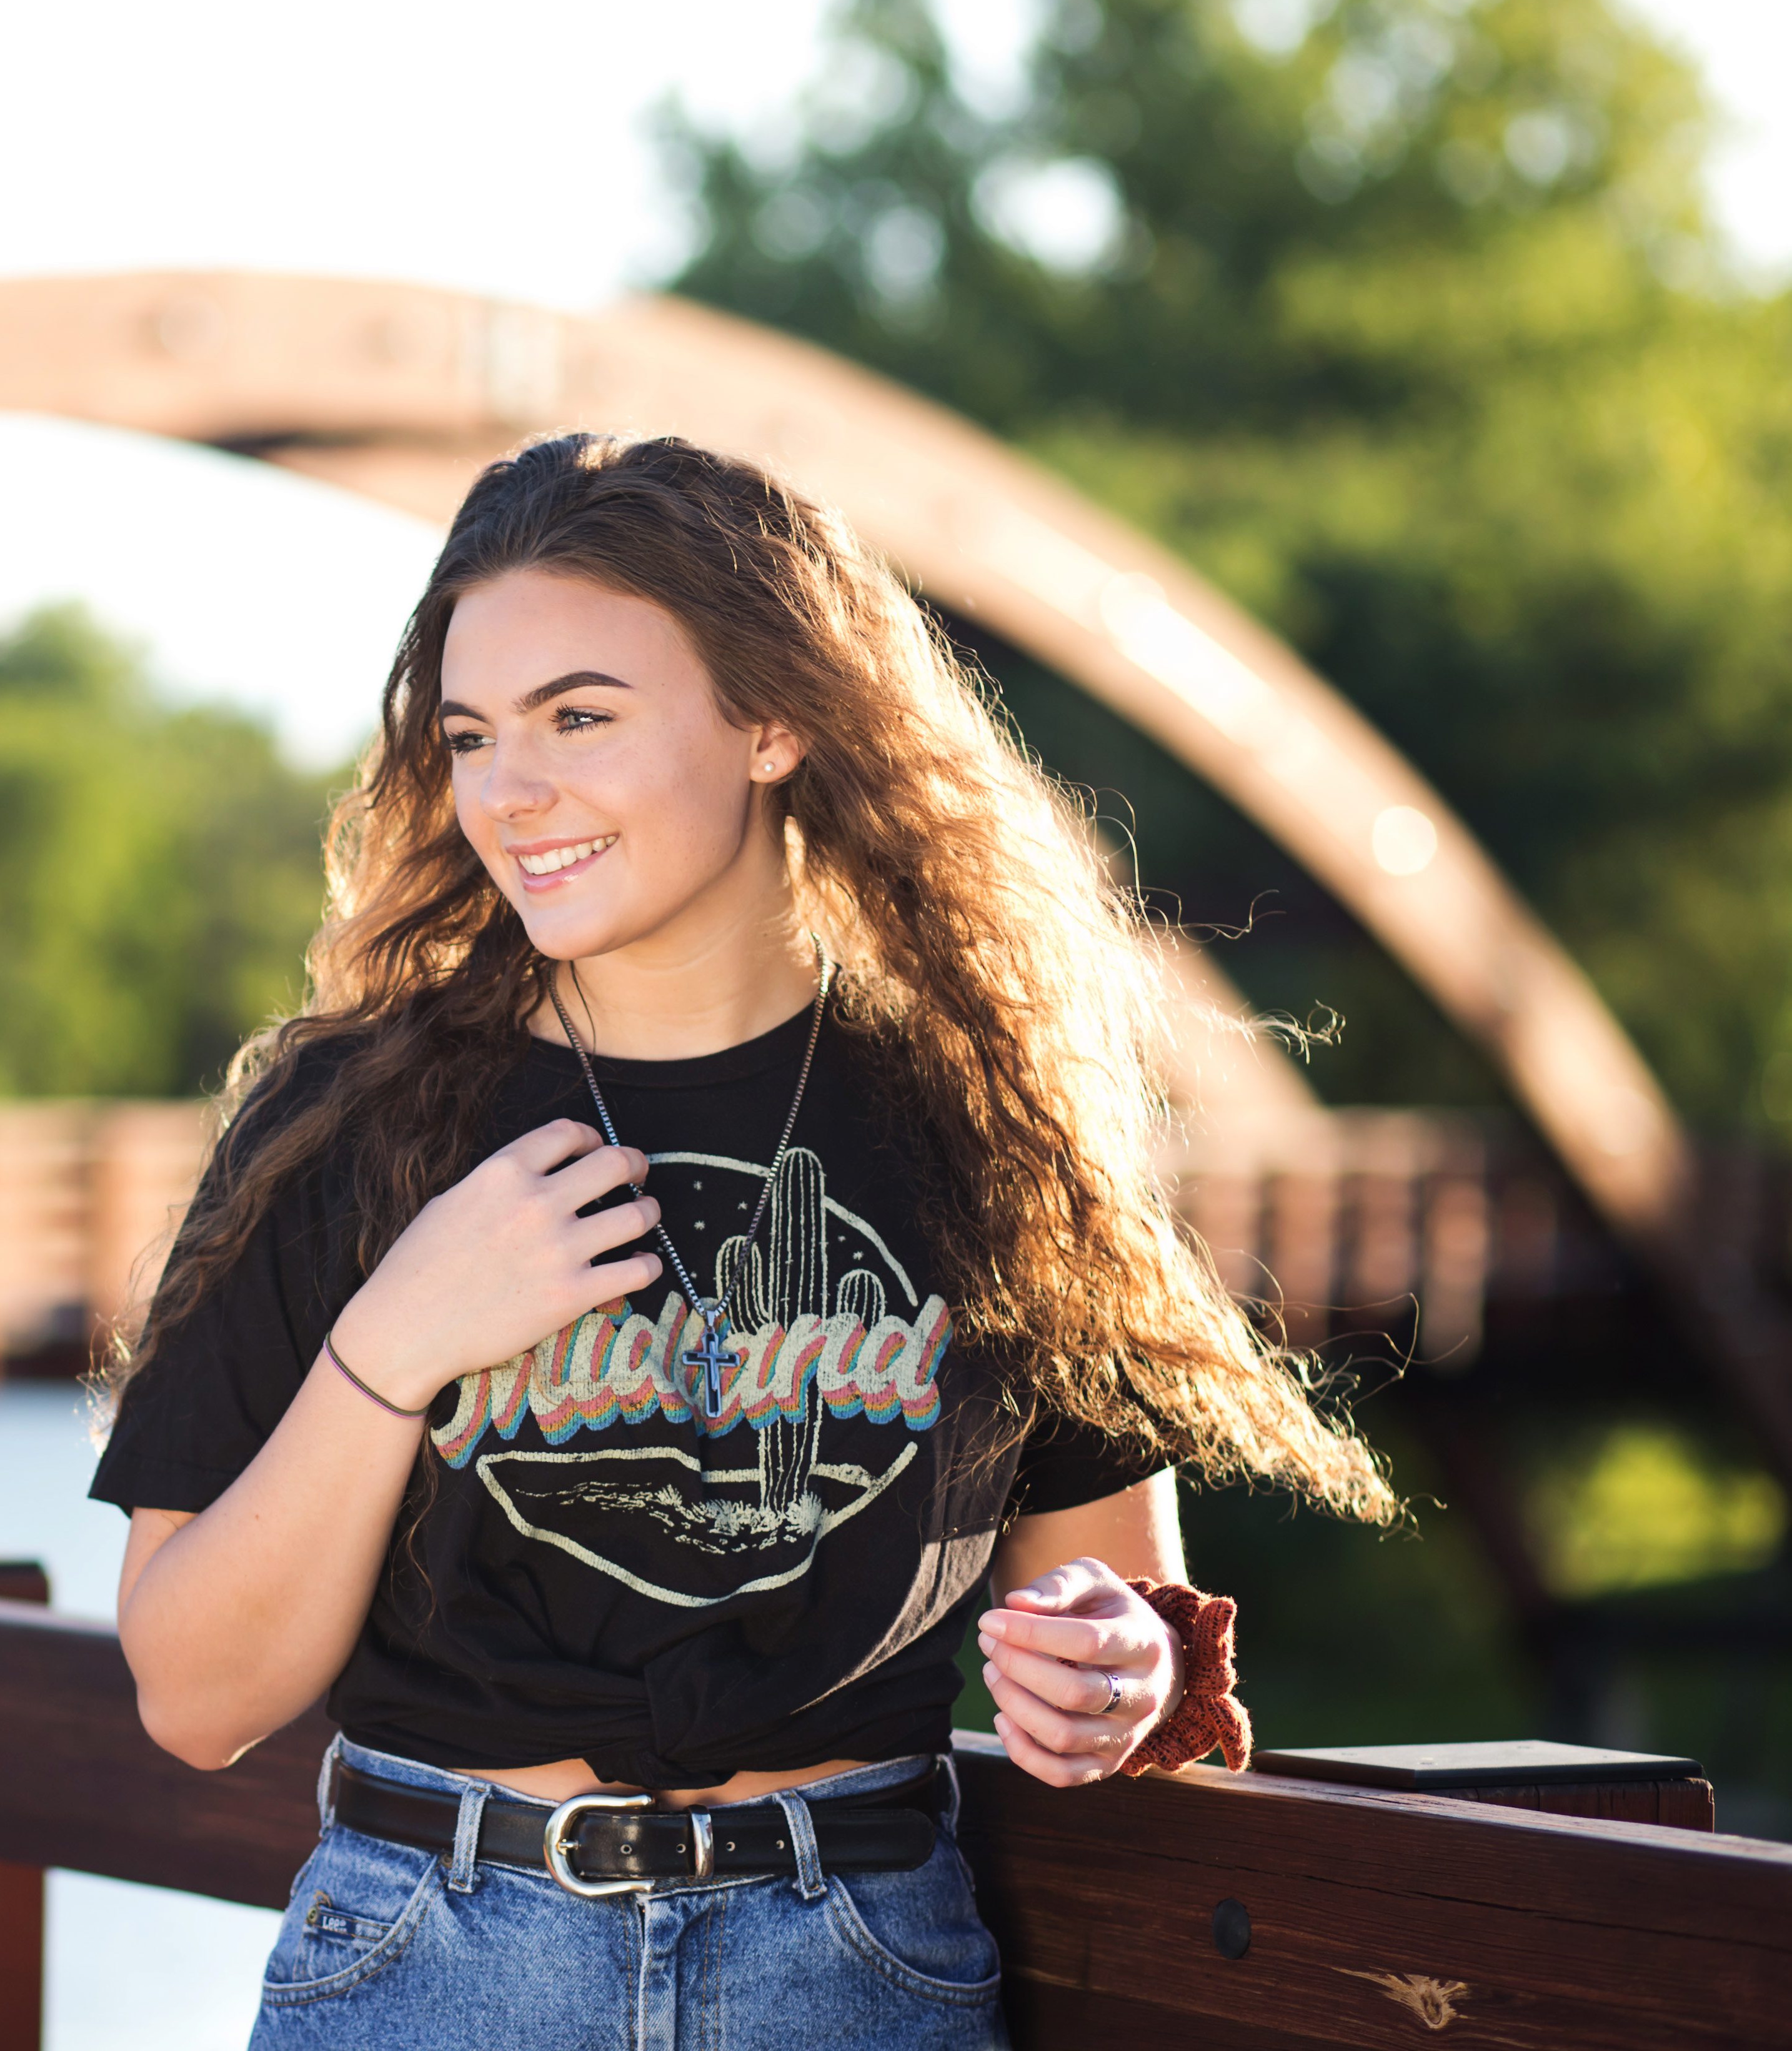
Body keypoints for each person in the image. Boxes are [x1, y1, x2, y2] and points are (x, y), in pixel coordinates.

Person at [91, 435, 1392, 2047]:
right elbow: (197, 1699)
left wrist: (1121, 1677)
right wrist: (399, 1339)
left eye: (581, 716)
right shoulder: (350, 1121)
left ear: (773, 719)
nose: (510, 788)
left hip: (855, 1966)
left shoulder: (987, 1123)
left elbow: (1130, 1628)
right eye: (474, 734)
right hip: (438, 1963)